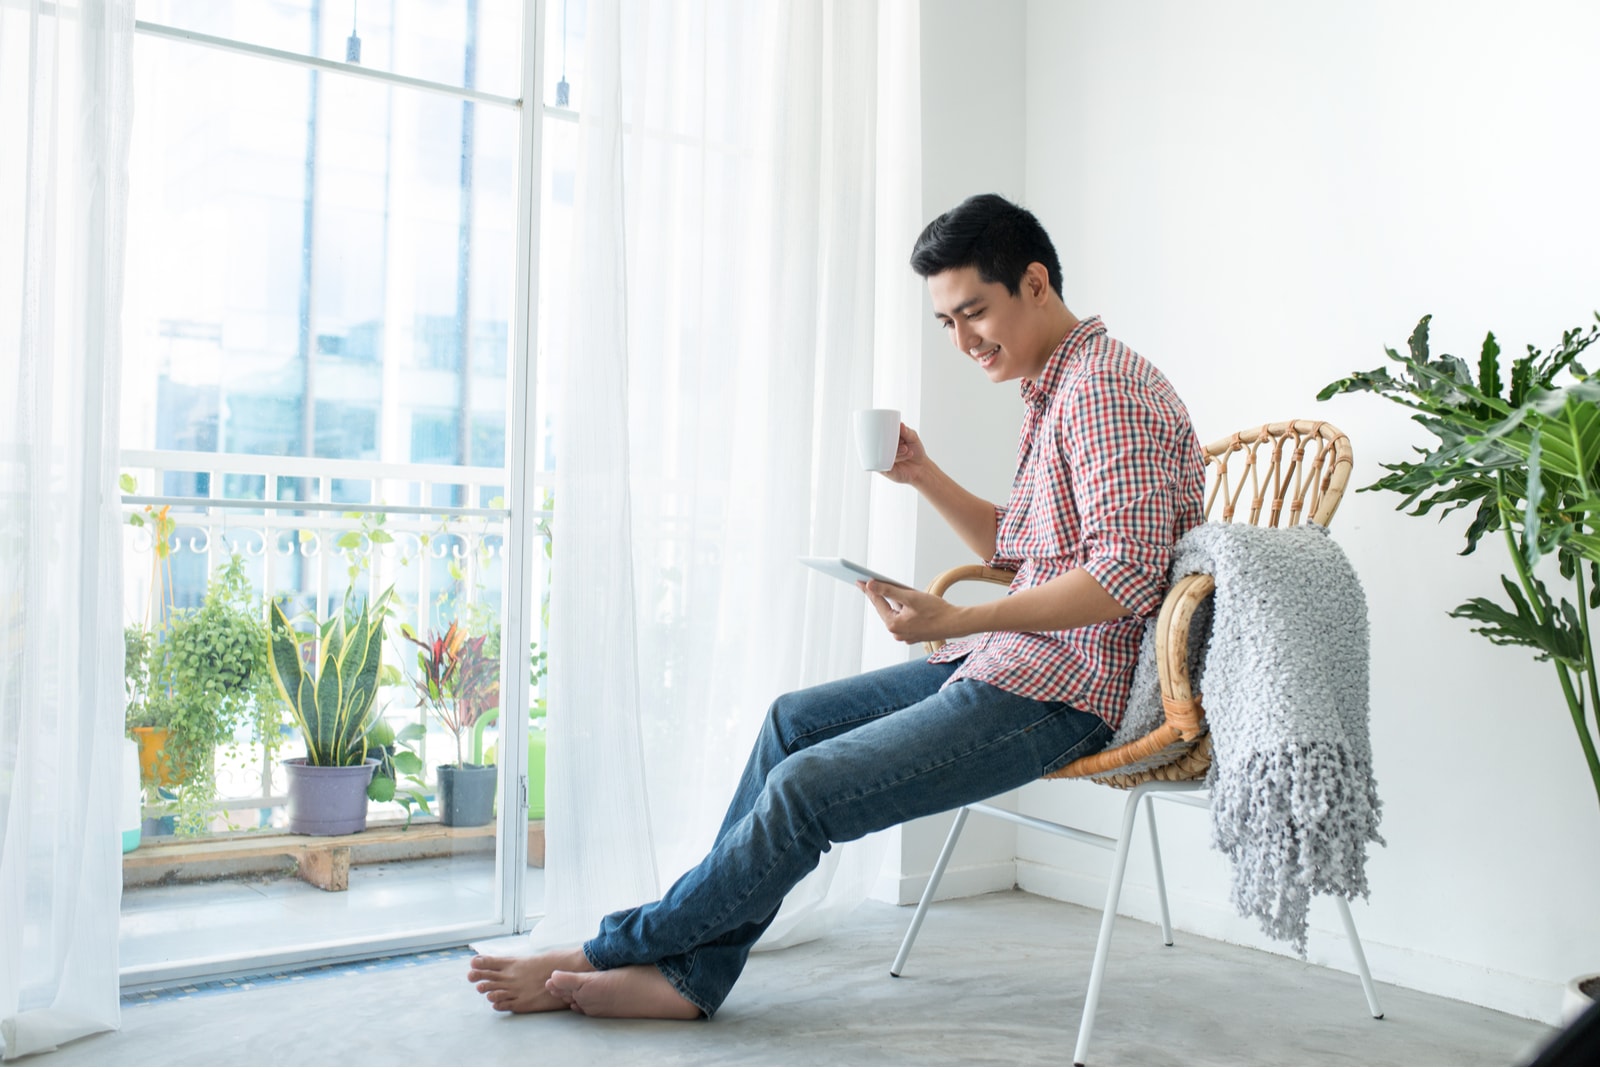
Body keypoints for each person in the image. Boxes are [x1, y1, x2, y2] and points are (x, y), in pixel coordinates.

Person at [467, 193, 1206, 1020]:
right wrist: (921, 476)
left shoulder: (1105, 389)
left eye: (975, 314)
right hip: (1009, 663)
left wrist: (955, 621)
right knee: (793, 723)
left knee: (807, 787)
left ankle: (617, 947)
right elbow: (1030, 550)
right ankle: (688, 980)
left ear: (1034, 283)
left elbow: (1124, 578)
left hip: (1062, 694)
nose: (964, 342)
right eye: (946, 323)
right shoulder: (1056, 385)